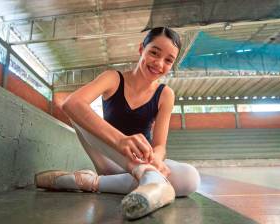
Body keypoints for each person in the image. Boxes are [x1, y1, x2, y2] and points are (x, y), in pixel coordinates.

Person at [35, 27, 200, 219]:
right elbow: (70, 103)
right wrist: (121, 141)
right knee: (77, 111)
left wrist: (155, 158)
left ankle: (91, 182)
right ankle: (149, 178)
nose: (159, 63)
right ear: (141, 49)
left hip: (142, 160)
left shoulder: (165, 94)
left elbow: (160, 145)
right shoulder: (112, 78)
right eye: (154, 53)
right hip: (109, 161)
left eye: (168, 60)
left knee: (190, 178)